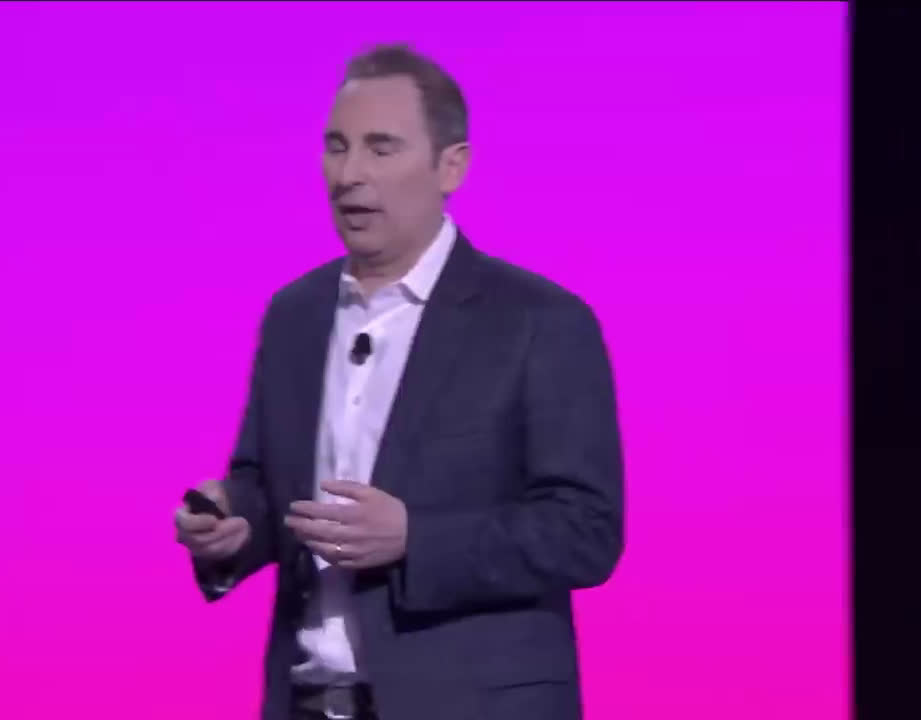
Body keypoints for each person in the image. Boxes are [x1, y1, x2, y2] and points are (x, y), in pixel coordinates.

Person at [173, 44, 624, 720]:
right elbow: (267, 486)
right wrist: (231, 520)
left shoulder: (540, 322)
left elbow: (584, 532)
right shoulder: (294, 315)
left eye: (381, 148)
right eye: (336, 147)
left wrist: (416, 537)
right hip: (307, 702)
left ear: (451, 166)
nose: (349, 174)